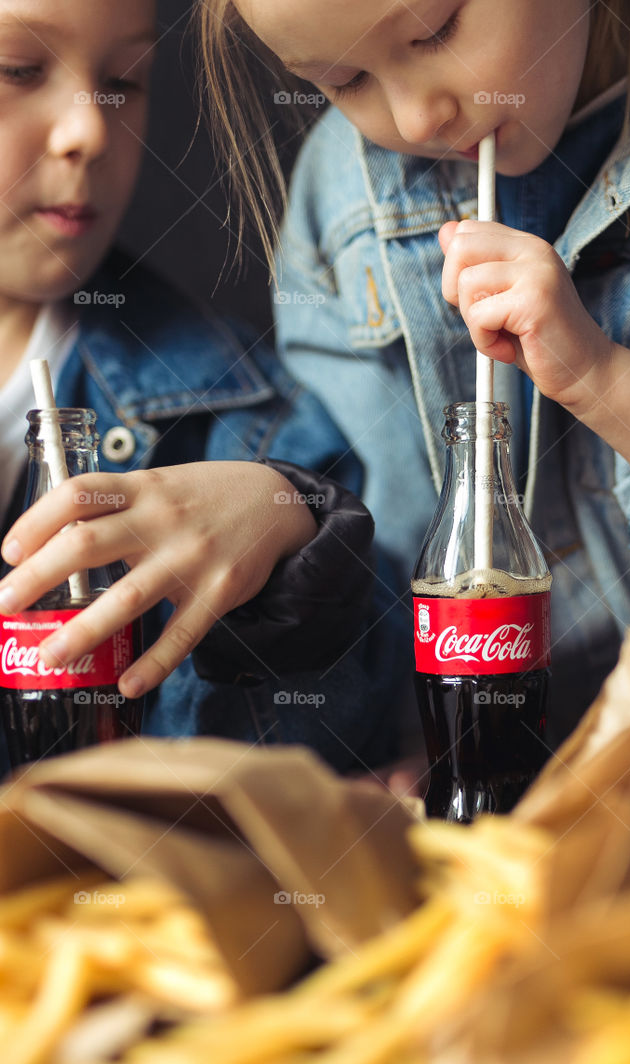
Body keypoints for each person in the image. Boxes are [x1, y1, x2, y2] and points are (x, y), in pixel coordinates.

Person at [200, 0, 630, 801]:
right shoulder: (339, 185)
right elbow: (374, 528)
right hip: (496, 798)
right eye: (341, 79)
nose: (416, 114)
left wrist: (600, 378)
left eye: (432, 33)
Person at [0, 0, 405, 776]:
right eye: (18, 69)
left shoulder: (248, 423)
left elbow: (355, 747)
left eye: (123, 81)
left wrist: (290, 544)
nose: (88, 130)